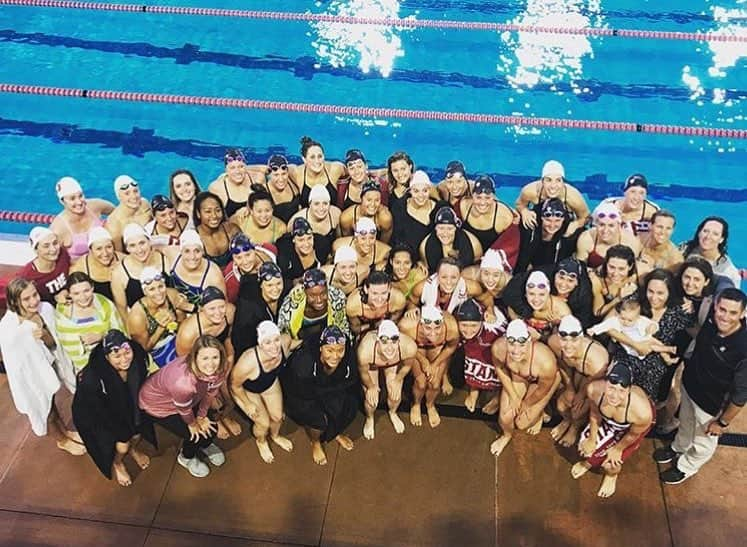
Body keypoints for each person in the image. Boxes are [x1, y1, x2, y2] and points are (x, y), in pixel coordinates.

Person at [656, 288, 747, 484]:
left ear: (743, 314)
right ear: (715, 307)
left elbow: (740, 396)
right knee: (686, 424)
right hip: (690, 388)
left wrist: (722, 423)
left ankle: (687, 466)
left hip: (711, 406)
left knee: (703, 441)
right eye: (722, 309)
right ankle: (678, 447)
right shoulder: (711, 321)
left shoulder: (743, 348)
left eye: (733, 313)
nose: (725, 316)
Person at [1, 277, 81, 455]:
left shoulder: (45, 310)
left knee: (53, 400)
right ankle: (61, 440)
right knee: (44, 407)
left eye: (35, 295)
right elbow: (16, 362)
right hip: (31, 375)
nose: (34, 301)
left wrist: (45, 335)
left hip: (50, 365)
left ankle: (65, 432)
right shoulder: (9, 329)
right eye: (26, 299)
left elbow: (55, 342)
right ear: (15, 301)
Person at [72, 330, 155, 486]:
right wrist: (121, 432)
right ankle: (118, 462)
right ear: (106, 357)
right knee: (122, 445)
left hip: (129, 402)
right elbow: (96, 412)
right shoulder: (93, 379)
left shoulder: (138, 358)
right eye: (117, 356)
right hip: (101, 412)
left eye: (127, 352)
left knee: (137, 435)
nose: (124, 359)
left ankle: (133, 449)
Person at [139, 335, 228, 478]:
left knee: (210, 428)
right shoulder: (183, 383)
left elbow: (211, 393)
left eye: (215, 357)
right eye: (205, 358)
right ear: (195, 357)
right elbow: (184, 409)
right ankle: (186, 457)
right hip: (158, 404)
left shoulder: (220, 368)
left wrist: (201, 415)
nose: (211, 364)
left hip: (189, 397)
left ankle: (205, 445)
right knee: (197, 434)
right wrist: (193, 423)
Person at [605, 269, 693, 401]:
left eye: (660, 293)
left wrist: (695, 305)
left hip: (653, 368)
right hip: (626, 356)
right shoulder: (635, 302)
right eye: (650, 291)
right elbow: (607, 323)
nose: (654, 297)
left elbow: (694, 332)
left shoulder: (678, 312)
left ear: (669, 292)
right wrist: (635, 344)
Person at [572, 362, 655, 498]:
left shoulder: (642, 413)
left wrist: (617, 449)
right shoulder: (594, 390)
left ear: (629, 390)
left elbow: (633, 434)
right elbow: (594, 415)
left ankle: (612, 476)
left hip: (631, 429)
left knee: (610, 464)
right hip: (609, 421)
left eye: (621, 391)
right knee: (585, 447)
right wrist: (592, 439)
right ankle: (588, 463)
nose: (615, 396)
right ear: (605, 384)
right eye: (611, 388)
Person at [281, 326, 360, 465]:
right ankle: (315, 442)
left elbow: (351, 378)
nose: (335, 356)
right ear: (320, 348)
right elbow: (298, 393)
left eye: (340, 350)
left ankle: (334, 433)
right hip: (303, 394)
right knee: (317, 420)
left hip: (330, 389)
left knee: (349, 405)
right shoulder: (303, 363)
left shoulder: (348, 356)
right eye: (330, 350)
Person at [489, 319, 560, 458]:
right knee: (505, 417)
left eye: (521, 345)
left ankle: (539, 414)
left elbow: (543, 389)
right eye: (511, 344)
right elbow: (500, 368)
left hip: (543, 382)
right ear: (506, 341)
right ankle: (506, 435)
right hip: (518, 376)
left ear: (529, 341)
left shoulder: (545, 361)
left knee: (522, 423)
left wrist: (526, 404)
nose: (516, 350)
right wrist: (514, 397)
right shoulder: (498, 348)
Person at [230, 321, 298, 463]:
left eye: (276, 340)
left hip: (269, 383)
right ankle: (261, 441)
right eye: (267, 342)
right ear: (260, 344)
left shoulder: (285, 342)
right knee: (263, 423)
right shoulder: (247, 362)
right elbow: (235, 386)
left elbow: (294, 343)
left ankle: (275, 436)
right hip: (248, 391)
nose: (274, 346)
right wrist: (247, 404)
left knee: (278, 417)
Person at [547, 315, 609, 447]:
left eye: (574, 340)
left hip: (594, 380)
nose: (568, 345)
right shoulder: (554, 343)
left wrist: (581, 395)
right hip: (575, 372)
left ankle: (574, 427)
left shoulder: (597, 359)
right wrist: (569, 388)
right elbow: (563, 365)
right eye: (564, 339)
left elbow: (593, 382)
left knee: (578, 410)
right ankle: (566, 420)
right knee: (561, 405)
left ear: (581, 338)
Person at [398, 306, 460, 427]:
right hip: (416, 348)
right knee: (421, 383)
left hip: (437, 348)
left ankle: (430, 405)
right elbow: (404, 346)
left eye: (437, 328)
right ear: (420, 324)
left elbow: (451, 347)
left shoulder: (452, 327)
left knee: (435, 383)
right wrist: (423, 361)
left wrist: (434, 364)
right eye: (428, 328)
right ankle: (416, 404)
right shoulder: (407, 326)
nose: (433, 333)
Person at [54, 272, 126, 372]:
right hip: (82, 369)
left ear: (92, 288)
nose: (83, 297)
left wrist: (102, 336)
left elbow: (120, 334)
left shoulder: (104, 304)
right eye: (76, 293)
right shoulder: (62, 312)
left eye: (86, 291)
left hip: (112, 364)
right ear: (69, 294)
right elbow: (65, 345)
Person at [357, 320, 418, 438]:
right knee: (372, 401)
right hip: (373, 364)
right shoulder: (365, 350)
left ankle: (393, 413)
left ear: (399, 340)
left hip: (392, 364)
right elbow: (363, 373)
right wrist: (371, 387)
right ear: (378, 341)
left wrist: (397, 380)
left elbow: (407, 366)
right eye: (384, 342)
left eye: (394, 342)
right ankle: (370, 419)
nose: (390, 348)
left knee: (395, 396)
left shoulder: (409, 346)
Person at [502, 257, 594, 329]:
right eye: (561, 278)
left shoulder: (583, 294)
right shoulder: (543, 273)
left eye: (570, 280)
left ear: (577, 282)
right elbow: (509, 293)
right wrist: (532, 313)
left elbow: (583, 323)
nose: (563, 284)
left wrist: (560, 324)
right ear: (555, 275)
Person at [127, 267, 189, 368]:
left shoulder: (172, 295)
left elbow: (184, 324)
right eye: (152, 289)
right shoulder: (137, 316)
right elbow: (143, 348)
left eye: (161, 286)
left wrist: (177, 321)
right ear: (145, 292)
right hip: (156, 350)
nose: (158, 293)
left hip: (177, 337)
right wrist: (160, 328)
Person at [110, 223, 175, 318]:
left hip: (171, 317)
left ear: (149, 242)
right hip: (141, 325)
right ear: (127, 249)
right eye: (132, 245)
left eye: (142, 243)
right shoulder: (119, 273)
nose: (139, 250)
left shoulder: (165, 259)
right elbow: (122, 311)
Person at [456, 298, 506, 413]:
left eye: (473, 325)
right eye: (464, 325)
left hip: (500, 349)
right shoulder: (456, 327)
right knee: (471, 356)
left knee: (494, 357)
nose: (468, 330)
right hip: (477, 340)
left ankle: (498, 395)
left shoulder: (494, 332)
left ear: (481, 322)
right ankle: (474, 390)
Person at [278, 268, 350, 342]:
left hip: (331, 343)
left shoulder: (337, 297)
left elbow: (343, 329)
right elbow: (283, 335)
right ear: (305, 292)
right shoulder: (291, 302)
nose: (319, 300)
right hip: (299, 343)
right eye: (313, 295)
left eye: (323, 293)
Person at [514, 198, 585, 274]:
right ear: (541, 218)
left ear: (563, 219)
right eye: (548, 220)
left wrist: (577, 224)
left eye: (557, 221)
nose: (552, 225)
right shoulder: (528, 230)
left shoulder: (570, 234)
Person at [232, 262, 288, 356]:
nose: (275, 289)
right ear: (261, 285)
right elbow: (240, 343)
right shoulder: (249, 309)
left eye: (278, 283)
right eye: (269, 285)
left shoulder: (286, 294)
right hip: (255, 353)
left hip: (278, 345)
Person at [49, 176, 112, 261]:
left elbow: (119, 212)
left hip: (106, 261)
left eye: (80, 196)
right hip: (79, 270)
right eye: (72, 199)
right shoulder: (59, 228)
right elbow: (52, 259)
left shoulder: (95, 206)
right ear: (62, 202)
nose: (79, 202)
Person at [514, 160, 590, 228]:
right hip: (540, 224)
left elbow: (587, 217)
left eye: (558, 180)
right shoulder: (531, 191)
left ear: (563, 182)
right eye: (548, 180)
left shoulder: (572, 197)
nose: (553, 186)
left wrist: (575, 225)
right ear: (542, 181)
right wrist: (524, 211)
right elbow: (519, 204)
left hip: (564, 227)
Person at [507, 271, 571, 341]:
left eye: (542, 294)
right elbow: (511, 310)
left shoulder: (561, 311)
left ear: (548, 293)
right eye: (531, 294)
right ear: (525, 295)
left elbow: (564, 345)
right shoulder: (519, 305)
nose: (536, 300)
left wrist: (540, 337)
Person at [575, 201, 641, 269]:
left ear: (619, 226)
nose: (605, 230)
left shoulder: (631, 242)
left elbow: (632, 272)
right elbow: (579, 270)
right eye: (601, 225)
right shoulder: (586, 238)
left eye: (611, 225)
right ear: (596, 224)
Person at [170, 229, 226, 307]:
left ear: (202, 252)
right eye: (187, 251)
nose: (192, 257)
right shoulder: (173, 255)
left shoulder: (213, 274)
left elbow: (223, 307)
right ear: (181, 252)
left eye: (197, 251)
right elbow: (155, 246)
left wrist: (188, 307)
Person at [679, 216, 741, 287]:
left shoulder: (728, 272)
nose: (708, 237)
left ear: (721, 239)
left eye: (715, 234)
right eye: (705, 231)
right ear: (699, 233)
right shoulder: (683, 249)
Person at [458, 175, 515, 252]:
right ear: (472, 196)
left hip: (491, 261)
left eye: (487, 198)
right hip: (467, 255)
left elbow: (510, 248)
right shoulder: (464, 206)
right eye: (478, 197)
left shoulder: (504, 217)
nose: (482, 202)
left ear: (493, 197)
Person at [390, 170, 441, 253]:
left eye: (425, 191)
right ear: (410, 191)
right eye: (416, 191)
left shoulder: (439, 209)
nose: (421, 195)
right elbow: (396, 240)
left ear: (430, 190)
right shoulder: (399, 208)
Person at [420, 206, 483, 274]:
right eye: (441, 228)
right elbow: (427, 270)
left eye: (449, 228)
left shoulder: (473, 244)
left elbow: (479, 269)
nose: (445, 233)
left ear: (455, 228)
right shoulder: (425, 246)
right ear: (435, 228)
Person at [409, 256, 483, 313]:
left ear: (460, 276)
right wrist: (411, 308)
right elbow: (411, 301)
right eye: (444, 277)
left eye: (453, 277)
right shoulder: (422, 287)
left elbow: (485, 297)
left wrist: (490, 309)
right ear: (437, 275)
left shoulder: (470, 287)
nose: (448, 282)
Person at [18, 227, 71, 305]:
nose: (53, 249)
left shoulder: (62, 255)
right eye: (46, 246)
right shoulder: (27, 276)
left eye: (55, 243)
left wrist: (66, 291)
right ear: (36, 250)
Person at [289, 136, 345, 208]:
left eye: (320, 156)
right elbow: (278, 171)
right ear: (304, 159)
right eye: (312, 157)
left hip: (332, 216)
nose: (317, 161)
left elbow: (352, 172)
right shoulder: (297, 173)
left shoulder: (334, 169)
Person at [346, 271, 406, 336]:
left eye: (383, 293)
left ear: (389, 289)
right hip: (364, 332)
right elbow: (355, 329)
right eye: (375, 293)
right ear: (366, 289)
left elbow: (394, 322)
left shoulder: (398, 299)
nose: (379, 299)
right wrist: (372, 326)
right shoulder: (353, 304)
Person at [69, 226, 120, 301]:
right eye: (99, 249)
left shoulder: (123, 260)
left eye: (109, 247)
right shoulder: (80, 268)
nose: (105, 253)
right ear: (90, 250)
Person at [588, 245, 639, 320]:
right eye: (611, 267)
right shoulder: (598, 280)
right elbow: (597, 313)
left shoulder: (638, 276)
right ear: (606, 264)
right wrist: (619, 298)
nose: (615, 273)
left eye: (621, 269)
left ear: (630, 266)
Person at [222, 232, 275, 304]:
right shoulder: (231, 281)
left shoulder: (270, 250)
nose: (245, 261)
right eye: (238, 258)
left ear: (254, 250)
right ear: (233, 259)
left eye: (248, 255)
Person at [208, 148, 262, 218]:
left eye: (241, 167)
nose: (237, 172)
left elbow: (267, 169)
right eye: (232, 168)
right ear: (226, 170)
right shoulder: (217, 188)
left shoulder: (256, 179)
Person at [193, 191, 241, 269]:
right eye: (208, 211)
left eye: (218, 210)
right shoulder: (194, 238)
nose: (214, 216)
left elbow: (247, 254)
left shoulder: (232, 230)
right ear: (198, 214)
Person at [287, 184, 342, 251]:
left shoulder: (335, 214)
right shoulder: (297, 220)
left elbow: (339, 240)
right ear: (310, 204)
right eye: (316, 204)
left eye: (325, 203)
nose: (321, 208)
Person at [276, 217, 331, 284]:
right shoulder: (285, 254)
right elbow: (282, 281)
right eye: (301, 240)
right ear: (293, 240)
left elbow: (330, 260)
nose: (306, 244)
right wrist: (299, 281)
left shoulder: (322, 245)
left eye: (309, 238)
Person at [106, 175, 153, 251]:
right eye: (127, 193)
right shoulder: (114, 224)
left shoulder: (144, 204)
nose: (134, 196)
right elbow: (119, 255)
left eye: (135, 191)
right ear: (119, 197)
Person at [262, 154, 301, 223]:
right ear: (269, 175)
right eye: (276, 175)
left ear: (288, 173)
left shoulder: (292, 183)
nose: (281, 179)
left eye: (283, 174)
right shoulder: (264, 192)